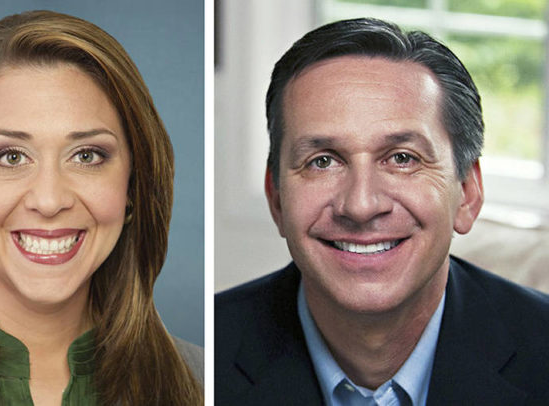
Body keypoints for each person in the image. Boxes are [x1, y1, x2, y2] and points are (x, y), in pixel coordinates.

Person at [0, 10, 203, 405]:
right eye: (11, 157)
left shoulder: (202, 382)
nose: (48, 201)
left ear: (132, 180)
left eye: (87, 156)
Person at [215, 17, 549, 405]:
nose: (360, 205)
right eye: (323, 161)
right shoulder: (210, 360)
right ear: (276, 198)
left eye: (403, 158)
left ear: (468, 193)